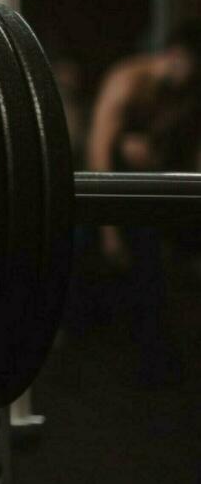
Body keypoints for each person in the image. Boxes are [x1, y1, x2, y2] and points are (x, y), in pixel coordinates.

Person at [84, 21, 201, 385]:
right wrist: (108, 231)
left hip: (153, 188)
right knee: (128, 264)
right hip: (104, 186)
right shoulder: (128, 81)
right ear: (171, 56)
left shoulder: (184, 95)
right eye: (187, 65)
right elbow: (98, 153)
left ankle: (157, 356)